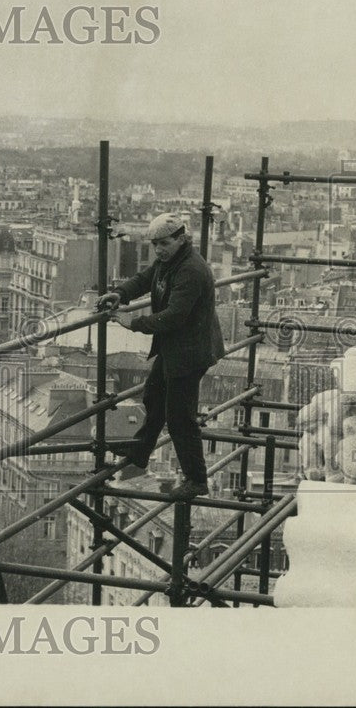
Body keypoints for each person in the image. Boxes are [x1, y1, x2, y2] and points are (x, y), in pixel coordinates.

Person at [97, 213, 225, 501]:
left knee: (180, 418)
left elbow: (174, 316)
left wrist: (135, 323)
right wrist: (120, 293)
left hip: (191, 351)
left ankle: (196, 479)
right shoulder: (171, 261)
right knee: (154, 397)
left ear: (181, 238)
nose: (158, 250)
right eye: (155, 244)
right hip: (177, 347)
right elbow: (146, 278)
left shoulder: (191, 270)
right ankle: (139, 453)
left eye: (163, 243)